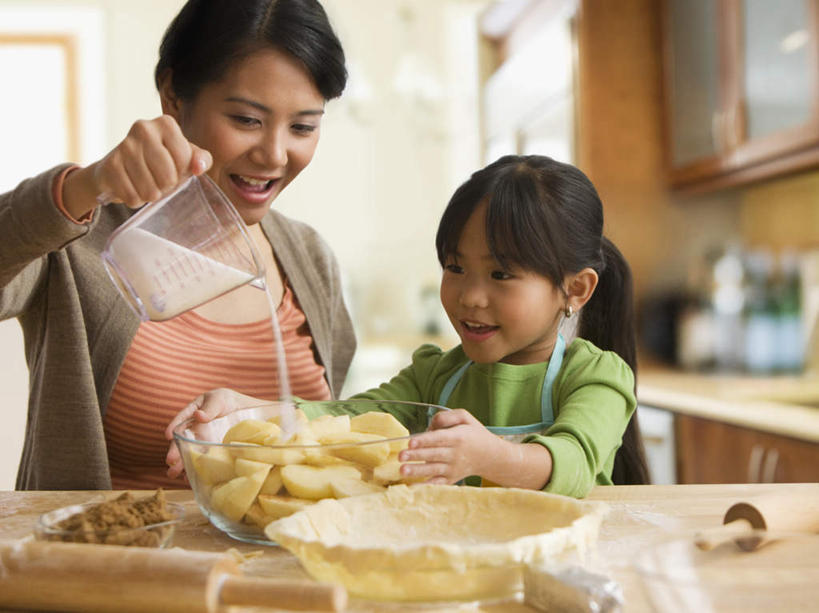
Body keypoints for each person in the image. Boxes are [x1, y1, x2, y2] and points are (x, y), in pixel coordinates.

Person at [0, 0, 356, 491]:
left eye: (302, 127)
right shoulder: (80, 242)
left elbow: (331, 436)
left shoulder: (311, 259)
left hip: (278, 567)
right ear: (173, 96)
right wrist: (86, 185)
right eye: (247, 120)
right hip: (104, 565)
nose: (274, 154)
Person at [168, 155, 649, 498]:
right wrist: (246, 410)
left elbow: (575, 463)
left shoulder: (596, 378)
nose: (469, 296)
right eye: (455, 267)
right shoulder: (436, 376)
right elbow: (345, 418)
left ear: (576, 289)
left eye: (501, 274)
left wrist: (489, 457)